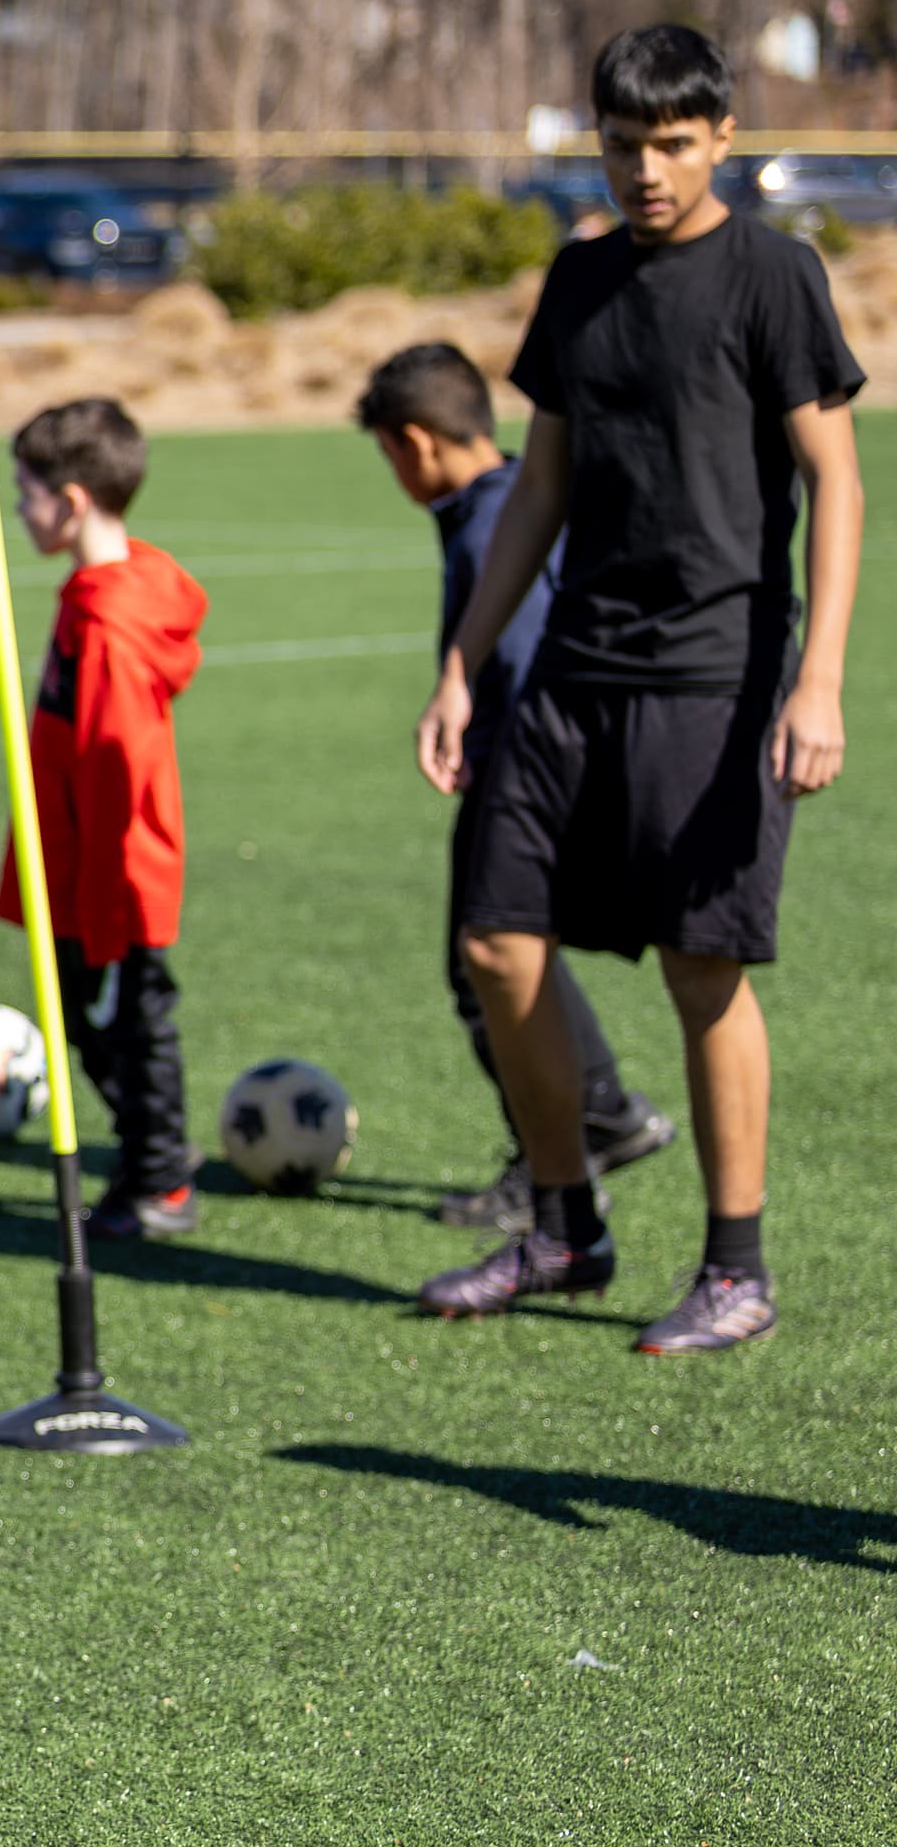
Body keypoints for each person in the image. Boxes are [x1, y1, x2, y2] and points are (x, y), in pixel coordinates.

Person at [417, 24, 864, 1352]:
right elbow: (539, 486)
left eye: (673, 145)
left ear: (722, 138)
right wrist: (460, 668)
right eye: (624, 147)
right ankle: (565, 1230)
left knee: (701, 967)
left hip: (718, 677)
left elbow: (836, 480)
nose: (648, 172)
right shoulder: (578, 281)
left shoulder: (775, 277)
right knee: (498, 944)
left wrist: (820, 678)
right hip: (572, 672)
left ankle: (737, 1269)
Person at [354, 342, 674, 1232]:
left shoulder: (498, 520)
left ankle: (554, 1167)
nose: (394, 472)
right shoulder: (489, 506)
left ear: (417, 442)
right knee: (504, 957)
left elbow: (530, 654)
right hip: (520, 765)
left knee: (487, 964)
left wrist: (507, 760)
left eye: (388, 455)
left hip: (525, 773)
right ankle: (603, 1112)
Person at [0, 397, 210, 1238]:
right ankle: (154, 1154)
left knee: (129, 1020)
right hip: (79, 862)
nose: (18, 509)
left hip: (114, 873)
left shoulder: (114, 623)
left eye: (27, 492)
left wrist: (113, 888)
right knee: (90, 1016)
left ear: (73, 500)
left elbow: (122, 766)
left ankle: (161, 1180)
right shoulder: (95, 594)